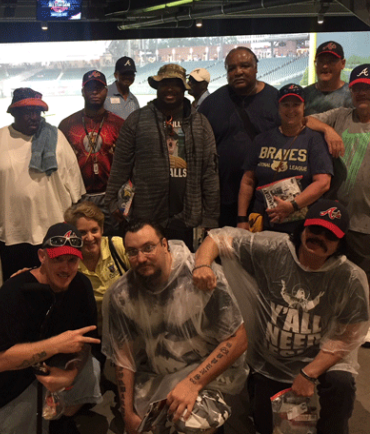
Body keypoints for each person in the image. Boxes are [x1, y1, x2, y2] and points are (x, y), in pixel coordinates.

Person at [194, 199, 369, 434]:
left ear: (340, 244)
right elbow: (216, 238)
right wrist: (202, 266)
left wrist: (309, 373)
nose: (318, 237)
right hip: (272, 361)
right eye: (314, 229)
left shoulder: (349, 278)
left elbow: (349, 335)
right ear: (303, 228)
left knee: (341, 384)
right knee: (272, 427)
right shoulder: (274, 250)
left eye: (329, 235)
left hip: (321, 358)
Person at [102, 220, 248, 434]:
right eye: (132, 252)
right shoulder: (123, 294)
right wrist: (128, 414)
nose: (141, 258)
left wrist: (192, 383)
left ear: (164, 245)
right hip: (156, 375)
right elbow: (124, 357)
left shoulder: (199, 279)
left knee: (189, 423)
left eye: (148, 248)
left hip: (208, 376)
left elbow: (238, 339)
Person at [0, 222, 102, 434]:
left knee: (91, 368)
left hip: (44, 364)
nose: (65, 268)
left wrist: (71, 373)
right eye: (58, 259)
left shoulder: (81, 286)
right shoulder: (16, 292)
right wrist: (57, 345)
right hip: (3, 379)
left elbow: (83, 341)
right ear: (42, 256)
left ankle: (60, 417)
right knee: (29, 411)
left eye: (72, 260)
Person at [106, 63, 219, 250]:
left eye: (176, 84)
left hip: (188, 217)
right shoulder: (137, 121)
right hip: (146, 216)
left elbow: (210, 172)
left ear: (184, 89)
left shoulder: (200, 124)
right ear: (157, 87)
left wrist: (211, 216)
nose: (169, 89)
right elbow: (120, 167)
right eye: (164, 83)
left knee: (184, 272)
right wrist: (112, 203)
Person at [0, 88, 85, 281]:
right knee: (17, 288)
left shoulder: (56, 138)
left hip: (55, 231)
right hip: (13, 233)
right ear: (13, 113)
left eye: (37, 111)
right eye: (27, 112)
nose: (34, 117)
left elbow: (76, 188)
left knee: (58, 284)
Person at [306, 64, 370, 346]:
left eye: (367, 87)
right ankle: (331, 325)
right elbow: (306, 120)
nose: (361, 93)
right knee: (333, 275)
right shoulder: (341, 116)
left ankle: (361, 328)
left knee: (363, 280)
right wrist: (329, 132)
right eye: (357, 88)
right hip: (336, 215)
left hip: (366, 219)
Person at [198, 47, 280, 227]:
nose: (238, 72)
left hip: (268, 196)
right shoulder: (211, 104)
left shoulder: (276, 99)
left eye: (245, 66)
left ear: (256, 67)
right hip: (224, 197)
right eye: (232, 68)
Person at [237, 83, 332, 234]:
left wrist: (292, 205)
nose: (291, 110)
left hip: (298, 226)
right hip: (261, 222)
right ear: (278, 107)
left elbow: (323, 183)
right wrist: (241, 218)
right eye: (285, 105)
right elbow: (248, 180)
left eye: (296, 104)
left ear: (304, 107)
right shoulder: (262, 139)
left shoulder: (314, 140)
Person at [59, 70, 124, 234]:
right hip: (79, 197)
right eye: (90, 88)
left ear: (106, 91)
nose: (94, 92)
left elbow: (129, 165)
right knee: (83, 245)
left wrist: (123, 201)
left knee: (112, 243)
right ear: (82, 91)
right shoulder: (67, 125)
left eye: (99, 88)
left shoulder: (119, 124)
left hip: (110, 197)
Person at [64, 201, 129, 335]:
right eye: (82, 232)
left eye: (94, 230)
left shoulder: (117, 246)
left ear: (102, 229)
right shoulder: (69, 261)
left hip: (128, 330)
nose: (90, 237)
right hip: (91, 336)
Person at [304, 41, 352, 115]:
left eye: (331, 61)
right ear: (315, 64)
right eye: (321, 61)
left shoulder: (353, 95)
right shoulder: (304, 95)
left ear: (343, 63)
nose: (325, 66)